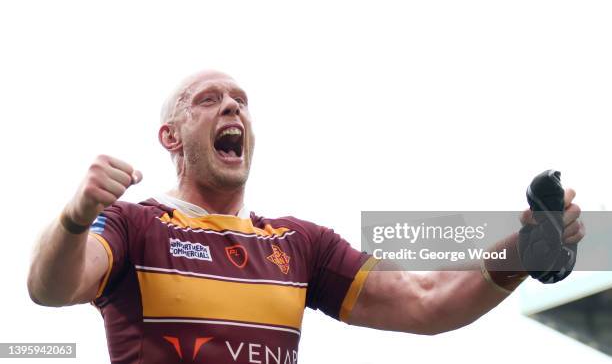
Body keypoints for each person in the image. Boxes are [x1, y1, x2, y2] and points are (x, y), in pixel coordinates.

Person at [27, 70, 586, 364]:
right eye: (208, 99)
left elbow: (426, 300)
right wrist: (76, 217)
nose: (232, 107)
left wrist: (524, 251)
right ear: (169, 136)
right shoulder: (134, 225)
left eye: (240, 100)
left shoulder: (299, 246)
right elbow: (49, 287)